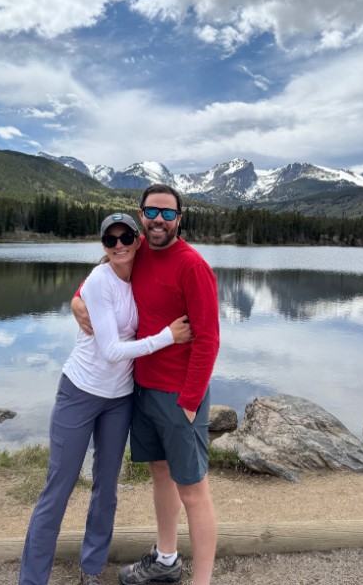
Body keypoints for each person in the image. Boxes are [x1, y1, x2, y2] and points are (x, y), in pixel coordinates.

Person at [18, 213, 193, 585]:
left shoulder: (143, 270)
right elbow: (112, 351)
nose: (118, 245)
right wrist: (168, 337)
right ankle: (32, 579)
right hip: (79, 392)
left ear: (138, 240)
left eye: (125, 237)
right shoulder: (100, 278)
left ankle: (92, 569)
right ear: (103, 245)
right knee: (59, 488)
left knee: (106, 489)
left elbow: (176, 263)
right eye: (110, 240)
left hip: (119, 400)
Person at [71, 184, 220, 585]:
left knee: (193, 490)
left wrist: (190, 402)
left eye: (168, 214)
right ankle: (166, 560)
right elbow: (100, 277)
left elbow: (208, 340)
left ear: (179, 220)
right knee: (160, 473)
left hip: (180, 397)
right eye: (152, 212)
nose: (159, 220)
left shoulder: (193, 266)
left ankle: (202, 581)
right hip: (144, 390)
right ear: (141, 216)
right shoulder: (137, 254)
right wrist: (76, 300)